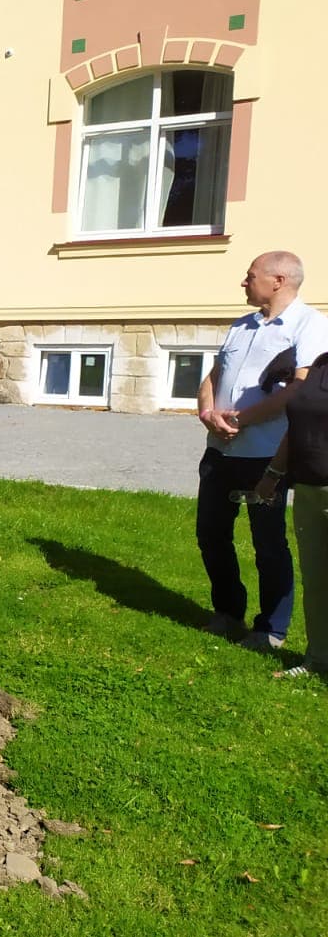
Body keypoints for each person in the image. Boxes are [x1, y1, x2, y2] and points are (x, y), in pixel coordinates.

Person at [197, 251, 328, 650]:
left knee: (268, 542)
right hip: (220, 451)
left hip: (266, 455)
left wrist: (243, 419)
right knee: (211, 534)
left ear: (278, 280)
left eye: (250, 275)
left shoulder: (310, 325)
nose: (244, 281)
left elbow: (301, 388)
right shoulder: (241, 325)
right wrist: (207, 412)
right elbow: (213, 375)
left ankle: (271, 628)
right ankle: (227, 612)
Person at [255, 352, 328, 679]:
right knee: (317, 582)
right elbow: (295, 429)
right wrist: (272, 474)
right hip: (308, 491)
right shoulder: (319, 366)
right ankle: (318, 659)